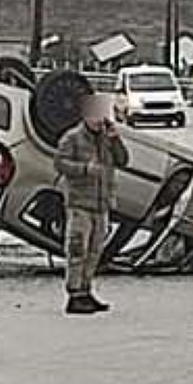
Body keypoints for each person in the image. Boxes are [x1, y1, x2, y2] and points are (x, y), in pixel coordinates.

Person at [53, 93, 129, 315]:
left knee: (95, 250)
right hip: (80, 202)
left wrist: (115, 139)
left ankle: (86, 289)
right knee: (78, 248)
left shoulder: (106, 138)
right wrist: (84, 169)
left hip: (101, 203)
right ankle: (74, 293)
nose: (98, 120)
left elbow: (123, 160)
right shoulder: (72, 138)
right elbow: (59, 163)